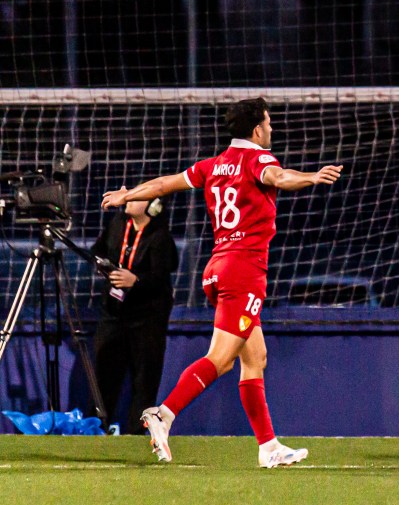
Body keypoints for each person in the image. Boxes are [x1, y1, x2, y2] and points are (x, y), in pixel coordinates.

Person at [101, 97, 343, 468]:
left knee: (254, 358)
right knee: (220, 358)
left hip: (219, 267)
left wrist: (127, 195)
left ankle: (269, 447)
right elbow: (279, 177)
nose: (272, 129)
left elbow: (166, 184)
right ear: (256, 129)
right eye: (269, 122)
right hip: (244, 271)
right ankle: (163, 414)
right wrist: (311, 176)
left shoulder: (214, 165)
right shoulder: (258, 160)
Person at [90, 196, 178, 434]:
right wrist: (105, 266)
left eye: (136, 196)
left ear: (152, 207)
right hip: (114, 312)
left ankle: (136, 435)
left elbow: (161, 277)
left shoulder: (161, 238)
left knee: (144, 380)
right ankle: (98, 429)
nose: (128, 199)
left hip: (147, 317)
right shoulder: (118, 224)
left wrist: (135, 280)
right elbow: (96, 250)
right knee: (105, 374)